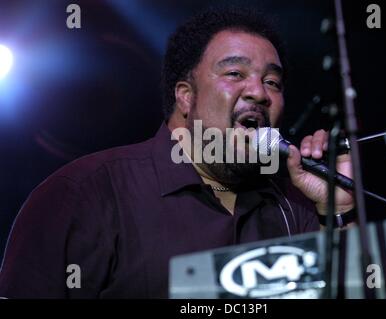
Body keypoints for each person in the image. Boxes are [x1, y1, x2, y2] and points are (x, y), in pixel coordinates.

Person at [0, 7, 354, 298]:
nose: (259, 93)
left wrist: (337, 210)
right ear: (186, 96)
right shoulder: (85, 193)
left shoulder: (295, 207)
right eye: (235, 72)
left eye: (272, 82)